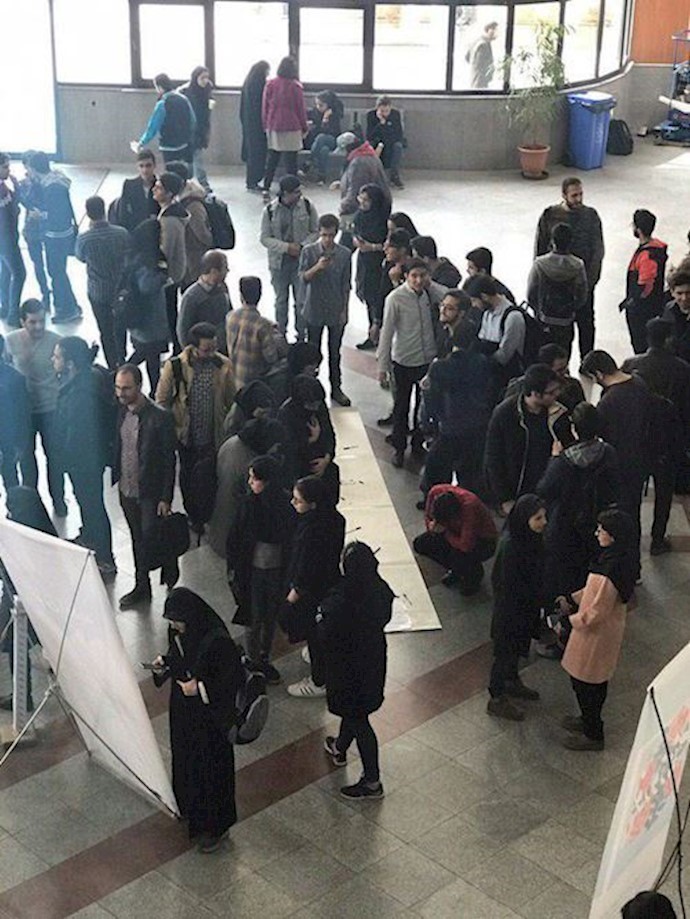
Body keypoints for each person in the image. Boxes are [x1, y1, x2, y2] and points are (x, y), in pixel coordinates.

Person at [150, 588, 244, 853]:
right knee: (187, 760)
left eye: (177, 621)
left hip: (210, 720)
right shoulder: (181, 632)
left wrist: (200, 687)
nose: (173, 626)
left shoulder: (217, 641)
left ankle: (216, 826)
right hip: (185, 714)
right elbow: (179, 657)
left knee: (211, 769)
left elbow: (229, 680)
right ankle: (190, 808)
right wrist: (164, 665)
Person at [556, 508, 636, 751]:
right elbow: (593, 592)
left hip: (594, 636)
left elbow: (596, 612)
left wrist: (570, 621)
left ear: (613, 535)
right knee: (588, 680)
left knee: (587, 683)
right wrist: (573, 598)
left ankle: (592, 733)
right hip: (602, 634)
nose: (597, 533)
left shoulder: (610, 571)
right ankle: (587, 720)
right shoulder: (615, 560)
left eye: (601, 530)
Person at [320, 541, 393, 799]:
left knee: (358, 719)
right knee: (354, 712)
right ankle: (340, 748)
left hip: (347, 668)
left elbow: (326, 633)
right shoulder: (380, 590)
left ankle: (372, 781)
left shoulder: (342, 600)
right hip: (372, 662)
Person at [580, 350, 655, 579]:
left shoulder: (609, 402)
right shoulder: (639, 383)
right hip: (640, 463)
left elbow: (600, 435)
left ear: (598, 373)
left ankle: (623, 570)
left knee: (619, 519)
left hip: (619, 467)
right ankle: (635, 568)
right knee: (633, 515)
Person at [537, 401, 621, 601]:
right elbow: (616, 487)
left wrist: (553, 458)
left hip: (565, 525)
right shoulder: (608, 453)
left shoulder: (563, 461)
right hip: (597, 521)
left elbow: (544, 490)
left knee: (564, 575)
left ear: (574, 429)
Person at [156, 322, 235, 526]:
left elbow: (231, 400)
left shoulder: (223, 366)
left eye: (214, 348)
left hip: (212, 436)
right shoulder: (175, 367)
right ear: (193, 347)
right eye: (206, 349)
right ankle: (193, 515)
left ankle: (206, 514)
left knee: (209, 478)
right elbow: (162, 401)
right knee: (188, 476)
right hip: (186, 437)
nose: (211, 353)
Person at [623, 317, 690, 555]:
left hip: (638, 438)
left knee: (632, 494)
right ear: (669, 339)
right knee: (664, 494)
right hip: (668, 440)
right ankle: (658, 540)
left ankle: (631, 538)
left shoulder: (631, 365)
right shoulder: (682, 369)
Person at [113, 363, 177, 609]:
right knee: (137, 539)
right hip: (127, 490)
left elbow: (169, 460)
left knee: (153, 538)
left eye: (126, 388)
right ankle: (142, 586)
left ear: (139, 386)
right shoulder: (120, 412)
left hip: (150, 493)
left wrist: (166, 497)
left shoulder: (160, 418)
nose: (121, 393)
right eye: (118, 388)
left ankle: (169, 572)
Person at [226, 454, 294, 683]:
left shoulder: (272, 506)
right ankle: (255, 658)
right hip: (256, 572)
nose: (250, 483)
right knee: (256, 616)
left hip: (266, 571)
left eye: (254, 479)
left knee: (265, 616)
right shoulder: (253, 504)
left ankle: (260, 657)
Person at [51, 337, 116, 578]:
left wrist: (64, 459)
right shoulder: (84, 379)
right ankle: (89, 537)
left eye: (57, 356)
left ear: (70, 363)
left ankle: (105, 557)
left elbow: (76, 433)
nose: (53, 360)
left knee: (93, 506)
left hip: (84, 461)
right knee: (87, 503)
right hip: (86, 459)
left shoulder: (82, 393)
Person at [283, 475, 345, 698]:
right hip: (329, 583)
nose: (293, 503)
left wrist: (295, 591)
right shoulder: (335, 519)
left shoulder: (311, 530)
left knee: (314, 632)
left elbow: (306, 565)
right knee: (320, 629)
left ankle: (318, 681)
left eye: (298, 500)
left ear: (313, 504)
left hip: (310, 590)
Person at [484, 363, 572, 516]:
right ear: (535, 394)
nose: (557, 394)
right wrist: (505, 498)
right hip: (519, 492)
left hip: (551, 490)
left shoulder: (559, 410)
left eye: (557, 389)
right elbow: (494, 457)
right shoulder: (505, 414)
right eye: (551, 392)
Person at [487, 494, 546, 722]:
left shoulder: (531, 539)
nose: (544, 522)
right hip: (511, 613)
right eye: (538, 518)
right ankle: (496, 697)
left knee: (516, 651)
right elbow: (506, 584)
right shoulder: (512, 546)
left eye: (544, 517)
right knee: (504, 654)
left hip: (525, 608)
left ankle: (511, 681)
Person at [5, 299, 65, 515]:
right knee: (26, 461)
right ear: (22, 321)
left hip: (50, 409)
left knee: (55, 459)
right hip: (25, 412)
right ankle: (31, 506)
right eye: (32, 322)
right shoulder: (11, 341)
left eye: (41, 321)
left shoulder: (57, 341)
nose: (38, 326)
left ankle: (59, 501)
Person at [535, 176, 605, 359]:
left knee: (586, 324)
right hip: (556, 284)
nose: (579, 199)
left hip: (583, 282)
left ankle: (587, 362)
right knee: (558, 332)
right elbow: (540, 248)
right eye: (574, 195)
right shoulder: (550, 215)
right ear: (564, 195)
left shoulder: (591, 216)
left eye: (581, 194)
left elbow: (598, 250)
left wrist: (589, 282)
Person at [420, 322, 492, 500]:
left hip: (449, 424)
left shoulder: (440, 367)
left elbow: (432, 399)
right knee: (470, 469)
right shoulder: (482, 363)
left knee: (437, 465)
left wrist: (431, 421)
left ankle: (436, 498)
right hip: (477, 424)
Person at [377, 259, 437, 468]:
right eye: (414, 276)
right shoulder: (395, 298)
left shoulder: (430, 294)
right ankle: (399, 448)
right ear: (406, 277)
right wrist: (382, 366)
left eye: (423, 275)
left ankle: (418, 444)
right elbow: (386, 333)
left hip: (426, 361)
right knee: (401, 407)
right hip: (403, 361)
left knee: (423, 407)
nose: (419, 280)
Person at [2, 486, 57, 713]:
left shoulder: (26, 537)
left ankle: (23, 700)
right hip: (35, 603)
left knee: (16, 644)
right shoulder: (44, 535)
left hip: (28, 604)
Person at [208, 415, 285, 557]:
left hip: (217, 514)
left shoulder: (232, 442)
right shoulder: (251, 462)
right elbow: (253, 498)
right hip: (234, 523)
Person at [299, 214, 352, 407]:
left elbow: (346, 284)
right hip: (314, 309)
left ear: (336, 234)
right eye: (324, 235)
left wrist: (344, 311)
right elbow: (303, 278)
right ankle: (311, 389)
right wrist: (317, 268)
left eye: (331, 235)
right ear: (319, 233)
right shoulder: (309, 251)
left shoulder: (345, 254)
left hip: (335, 309)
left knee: (334, 352)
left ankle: (336, 388)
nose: (327, 239)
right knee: (312, 353)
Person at [260, 174, 318, 341]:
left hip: (301, 262)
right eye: (296, 192)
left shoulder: (307, 206)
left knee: (301, 301)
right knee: (281, 300)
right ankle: (281, 335)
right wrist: (286, 248)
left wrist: (302, 246)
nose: (300, 195)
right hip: (279, 263)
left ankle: (301, 335)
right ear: (285, 193)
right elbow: (265, 238)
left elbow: (315, 231)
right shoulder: (270, 211)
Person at [74, 196, 129, 369]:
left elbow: (80, 257)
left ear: (88, 213)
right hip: (120, 289)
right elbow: (128, 254)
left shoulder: (84, 239)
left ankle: (112, 365)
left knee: (105, 330)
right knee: (120, 326)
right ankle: (122, 357)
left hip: (97, 290)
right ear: (104, 210)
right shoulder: (121, 233)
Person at [26, 152, 81, 324]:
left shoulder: (52, 188)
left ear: (34, 169)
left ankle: (66, 309)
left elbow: (56, 215)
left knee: (56, 273)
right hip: (64, 233)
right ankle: (70, 305)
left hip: (55, 236)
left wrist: (39, 215)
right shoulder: (58, 180)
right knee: (59, 272)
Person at [413, 485, 497, 593]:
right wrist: (431, 527)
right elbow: (428, 516)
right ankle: (457, 568)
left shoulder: (470, 507)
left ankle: (473, 574)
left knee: (459, 557)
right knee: (420, 544)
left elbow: (466, 545)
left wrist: (445, 532)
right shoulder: (434, 492)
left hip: (482, 539)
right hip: (452, 531)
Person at [527, 222, 588, 358]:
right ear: (570, 242)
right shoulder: (578, 265)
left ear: (552, 241)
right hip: (566, 320)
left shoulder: (540, 264)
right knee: (563, 355)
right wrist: (572, 309)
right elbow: (582, 295)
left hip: (544, 319)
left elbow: (531, 293)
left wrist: (538, 310)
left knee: (544, 356)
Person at [122, 218, 169, 394]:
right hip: (149, 320)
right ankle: (122, 377)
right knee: (148, 353)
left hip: (140, 317)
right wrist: (163, 276)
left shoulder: (134, 255)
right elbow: (147, 286)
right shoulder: (146, 261)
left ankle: (154, 389)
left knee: (150, 355)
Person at [278, 374, 339, 504]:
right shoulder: (286, 414)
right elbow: (288, 449)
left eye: (318, 403)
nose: (316, 408)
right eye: (312, 405)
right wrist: (311, 439)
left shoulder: (319, 406)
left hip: (321, 462)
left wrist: (327, 458)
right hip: (299, 467)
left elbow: (329, 434)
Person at [621, 209, 668, 354]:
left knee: (641, 345)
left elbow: (646, 284)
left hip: (642, 311)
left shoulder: (647, 255)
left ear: (638, 229)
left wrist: (633, 301)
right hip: (652, 306)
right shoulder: (657, 249)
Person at [154, 171, 190, 354]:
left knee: (169, 312)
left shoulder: (169, 220)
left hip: (169, 274)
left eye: (159, 188)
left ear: (169, 193)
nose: (154, 189)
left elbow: (165, 251)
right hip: (176, 271)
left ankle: (176, 347)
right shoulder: (172, 212)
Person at [261, 56, 308, 198]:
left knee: (272, 158)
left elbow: (265, 107)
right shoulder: (296, 86)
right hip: (292, 125)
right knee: (291, 161)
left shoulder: (270, 84)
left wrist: (265, 124)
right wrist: (304, 126)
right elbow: (300, 109)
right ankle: (293, 189)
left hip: (273, 124)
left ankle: (266, 186)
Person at [164, 161, 213, 291]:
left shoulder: (192, 204)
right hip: (187, 258)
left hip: (193, 261)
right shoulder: (179, 199)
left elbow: (202, 233)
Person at [353, 185, 391, 350]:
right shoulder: (360, 216)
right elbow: (355, 232)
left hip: (379, 263)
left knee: (379, 297)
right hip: (364, 261)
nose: (362, 202)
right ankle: (372, 333)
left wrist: (373, 247)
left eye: (366, 200)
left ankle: (381, 333)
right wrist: (357, 241)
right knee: (369, 297)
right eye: (361, 198)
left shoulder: (383, 220)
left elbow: (389, 244)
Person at [225, 276, 279, 390]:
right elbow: (271, 357)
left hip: (233, 379)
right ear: (260, 295)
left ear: (241, 296)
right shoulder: (263, 325)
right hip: (254, 384)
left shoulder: (230, 317)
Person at [475, 275, 525, 398]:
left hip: (508, 377)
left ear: (484, 297)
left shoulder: (513, 317)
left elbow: (505, 354)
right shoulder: (487, 313)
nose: (474, 305)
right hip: (491, 372)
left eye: (474, 300)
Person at [134, 74, 196, 170]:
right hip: (184, 144)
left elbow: (153, 128)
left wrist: (141, 143)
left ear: (160, 87)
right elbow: (193, 121)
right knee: (184, 171)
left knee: (171, 173)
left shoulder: (162, 104)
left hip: (168, 146)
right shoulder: (184, 99)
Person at [504, 343, 586, 411]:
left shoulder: (573, 386)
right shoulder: (517, 388)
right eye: (559, 370)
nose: (564, 372)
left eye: (566, 367)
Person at [177, 249, 231, 349]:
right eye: (225, 268)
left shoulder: (223, 288)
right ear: (214, 271)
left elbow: (230, 315)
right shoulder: (191, 297)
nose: (228, 271)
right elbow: (182, 332)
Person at [18, 151, 50, 310]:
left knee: (51, 263)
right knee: (38, 263)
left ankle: (50, 291)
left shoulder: (45, 181)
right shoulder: (23, 184)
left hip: (45, 226)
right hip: (32, 229)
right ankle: (45, 291)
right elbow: (24, 202)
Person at [0, 333, 31, 493]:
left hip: (7, 440)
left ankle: (15, 503)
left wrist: (20, 443)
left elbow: (23, 414)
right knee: (11, 477)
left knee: (10, 478)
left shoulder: (15, 379)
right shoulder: (15, 378)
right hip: (9, 439)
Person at [336, 133, 391, 221]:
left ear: (348, 148)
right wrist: (343, 183)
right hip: (380, 206)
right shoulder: (369, 154)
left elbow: (356, 191)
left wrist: (344, 207)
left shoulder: (358, 163)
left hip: (370, 210)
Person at [0, 152, 26, 327]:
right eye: (5, 167)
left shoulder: (3, 186)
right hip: (6, 239)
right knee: (19, 273)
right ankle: (13, 314)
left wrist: (16, 187)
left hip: (7, 239)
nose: (8, 170)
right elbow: (12, 212)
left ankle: (5, 306)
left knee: (6, 272)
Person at [180, 66, 214, 192]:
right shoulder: (186, 91)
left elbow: (206, 111)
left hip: (201, 128)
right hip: (188, 129)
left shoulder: (207, 89)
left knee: (194, 157)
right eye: (202, 77)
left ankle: (191, 183)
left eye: (207, 77)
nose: (205, 80)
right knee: (194, 158)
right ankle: (202, 184)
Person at [240, 61, 269, 193]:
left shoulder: (248, 83)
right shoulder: (260, 85)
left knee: (252, 153)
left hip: (248, 123)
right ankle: (253, 180)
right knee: (258, 153)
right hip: (258, 124)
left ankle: (251, 181)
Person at [115, 148, 160, 233]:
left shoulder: (160, 186)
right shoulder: (129, 185)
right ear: (137, 167)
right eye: (141, 166)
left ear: (154, 166)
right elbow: (123, 215)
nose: (145, 170)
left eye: (148, 165)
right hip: (134, 232)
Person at [304, 90, 344, 184]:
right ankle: (321, 177)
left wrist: (325, 119)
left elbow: (329, 132)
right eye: (316, 104)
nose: (318, 107)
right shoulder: (314, 112)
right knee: (324, 150)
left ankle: (309, 161)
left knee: (322, 137)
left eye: (321, 105)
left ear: (328, 105)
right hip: (316, 143)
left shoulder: (334, 115)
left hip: (332, 141)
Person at [365, 95, 405, 189]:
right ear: (377, 109)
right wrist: (381, 123)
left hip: (391, 141)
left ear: (390, 107)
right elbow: (370, 135)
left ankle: (394, 175)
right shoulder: (371, 115)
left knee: (398, 147)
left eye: (387, 111)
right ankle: (372, 175)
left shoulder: (395, 114)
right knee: (370, 146)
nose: (385, 114)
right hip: (376, 141)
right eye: (382, 111)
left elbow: (398, 134)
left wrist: (385, 125)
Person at [434, 288, 477, 358]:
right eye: (442, 305)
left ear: (461, 313)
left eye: (449, 308)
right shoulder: (441, 328)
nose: (442, 310)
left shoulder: (468, 333)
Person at [663, 267, 690, 364]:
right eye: (679, 293)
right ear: (672, 293)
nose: (684, 298)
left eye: (688, 293)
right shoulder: (669, 310)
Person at [467, 22, 499, 89]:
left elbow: (467, 57)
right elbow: (480, 65)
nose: (497, 33)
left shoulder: (477, 41)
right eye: (495, 30)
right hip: (480, 83)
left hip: (475, 80)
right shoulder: (483, 45)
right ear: (489, 30)